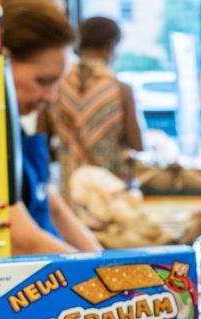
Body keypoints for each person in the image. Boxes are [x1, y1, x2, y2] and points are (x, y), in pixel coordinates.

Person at [2, 0, 101, 254]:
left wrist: (103, 259)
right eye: (43, 81)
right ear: (2, 61)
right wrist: (97, 272)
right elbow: (21, 236)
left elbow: (52, 205)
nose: (51, 97)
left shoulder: (15, 128)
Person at [50, 16, 144, 196]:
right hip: (110, 191)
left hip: (70, 193)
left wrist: (69, 151)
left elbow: (41, 142)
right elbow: (137, 145)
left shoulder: (56, 86)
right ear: (110, 46)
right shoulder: (120, 90)